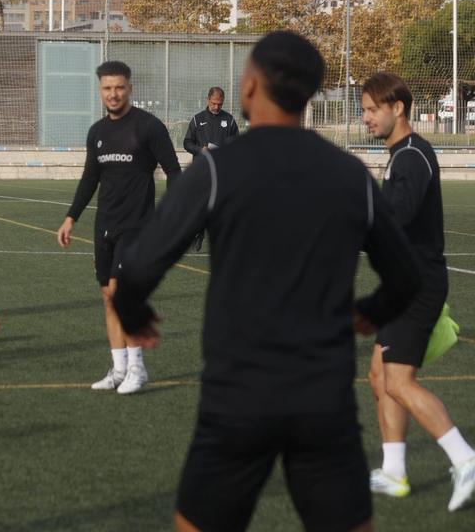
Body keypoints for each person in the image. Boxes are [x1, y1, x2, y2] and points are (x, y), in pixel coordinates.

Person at [112, 31, 424, 532]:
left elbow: (137, 267)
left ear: (251, 85)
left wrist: (133, 313)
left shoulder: (217, 170)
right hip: (324, 402)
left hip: (238, 399)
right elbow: (407, 276)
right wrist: (373, 311)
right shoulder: (350, 175)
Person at [360, 71, 475, 511]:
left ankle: (465, 460)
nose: (366, 118)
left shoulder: (410, 156)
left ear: (398, 108)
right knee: (379, 376)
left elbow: (398, 215)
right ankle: (394, 472)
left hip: (417, 285)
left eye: (373, 110)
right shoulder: (402, 154)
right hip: (404, 283)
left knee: (399, 381)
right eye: (364, 110)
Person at [56, 60, 180, 395]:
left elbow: (174, 171)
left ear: (130, 89)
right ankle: (119, 369)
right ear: (100, 91)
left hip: (138, 226)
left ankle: (138, 369)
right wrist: (71, 217)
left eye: (119, 87)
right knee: (109, 297)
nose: (114, 94)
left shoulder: (148, 127)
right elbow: (90, 178)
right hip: (105, 226)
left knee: (122, 295)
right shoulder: (97, 132)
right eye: (108, 88)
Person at [183, 87, 240, 251]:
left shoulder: (229, 120)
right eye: (214, 103)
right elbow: (187, 143)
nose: (216, 107)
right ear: (208, 100)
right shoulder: (197, 119)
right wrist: (200, 150)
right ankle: (199, 233)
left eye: (220, 104)